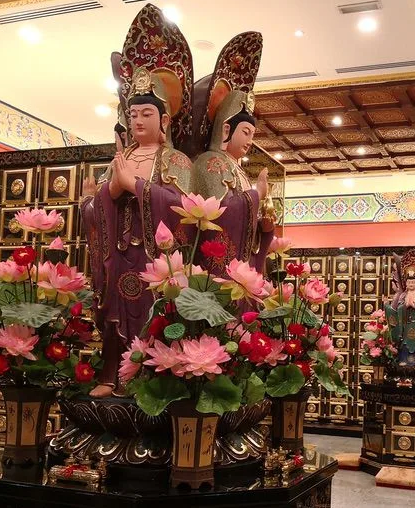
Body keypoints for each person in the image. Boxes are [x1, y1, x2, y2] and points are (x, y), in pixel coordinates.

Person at [80, 66, 192, 398]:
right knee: (114, 316)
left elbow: (182, 206)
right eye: (133, 115)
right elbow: (91, 211)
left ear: (165, 121)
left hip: (154, 256)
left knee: (150, 312)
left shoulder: (175, 161)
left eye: (146, 113)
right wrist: (109, 191)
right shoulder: (120, 158)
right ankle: (111, 374)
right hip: (118, 251)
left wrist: (135, 185)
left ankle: (148, 377)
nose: (138, 121)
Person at [191, 90, 275, 276]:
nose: (250, 141)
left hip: (243, 264)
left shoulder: (239, 171)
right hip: (220, 265)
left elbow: (246, 219)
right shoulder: (211, 162)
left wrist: (264, 227)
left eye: (252, 135)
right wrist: (256, 195)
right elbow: (221, 214)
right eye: (246, 133)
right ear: (227, 130)